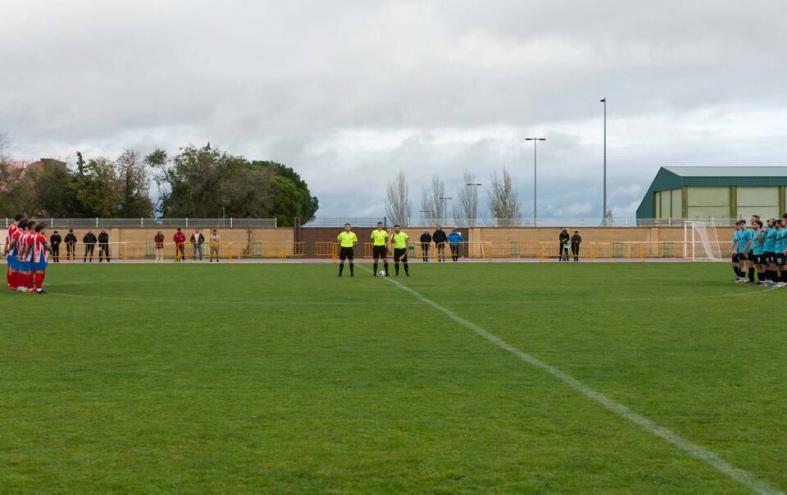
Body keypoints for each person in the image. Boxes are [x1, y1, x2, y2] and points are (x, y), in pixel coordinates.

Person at [6, 216, 24, 289]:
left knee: (12, 267)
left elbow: (8, 238)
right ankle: (12, 283)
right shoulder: (15, 228)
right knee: (13, 268)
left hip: (12, 249)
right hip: (14, 250)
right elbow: (13, 239)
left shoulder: (11, 227)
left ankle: (11, 283)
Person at [30, 223, 49, 294]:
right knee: (39, 272)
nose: (46, 230)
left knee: (35, 272)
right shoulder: (40, 237)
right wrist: (51, 250)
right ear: (41, 229)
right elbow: (46, 246)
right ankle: (38, 289)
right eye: (45, 228)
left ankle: (34, 287)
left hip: (34, 256)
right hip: (39, 256)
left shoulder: (33, 236)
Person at [750, 220, 765, 285]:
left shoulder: (762, 232)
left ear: (759, 225)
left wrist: (760, 233)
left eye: (755, 224)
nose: (753, 225)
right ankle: (760, 280)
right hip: (755, 251)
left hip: (760, 252)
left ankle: (763, 280)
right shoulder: (754, 232)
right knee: (757, 266)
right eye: (753, 224)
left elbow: (761, 242)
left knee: (761, 266)